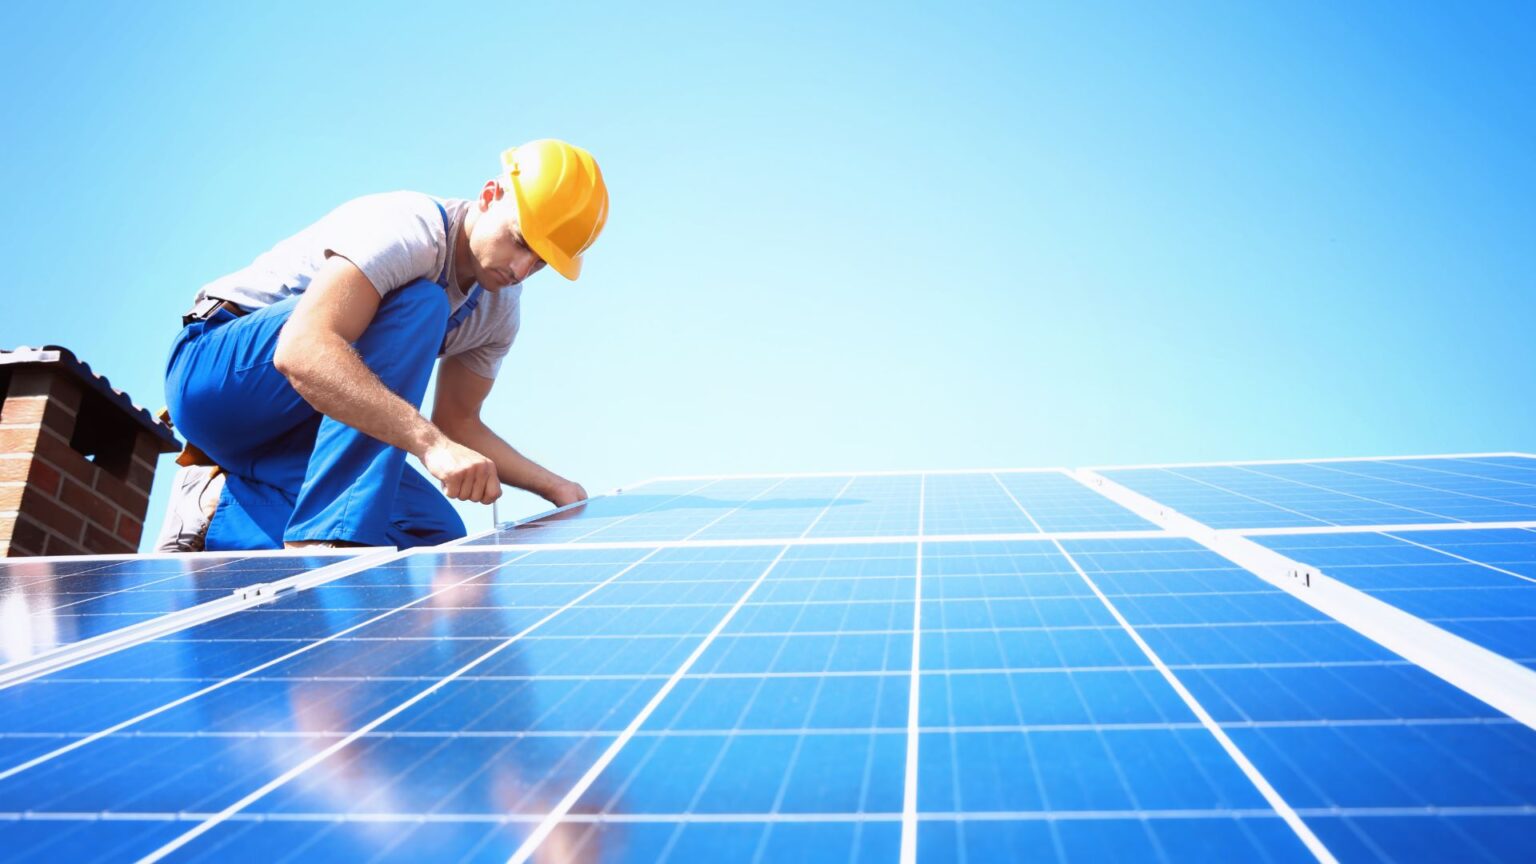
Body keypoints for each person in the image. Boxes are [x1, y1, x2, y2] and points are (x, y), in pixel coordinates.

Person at [156, 139, 606, 551]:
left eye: (542, 262)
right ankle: (326, 541)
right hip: (218, 381)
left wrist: (555, 488)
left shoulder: (498, 309)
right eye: (521, 241)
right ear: (489, 196)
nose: (523, 269)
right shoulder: (412, 230)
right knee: (421, 302)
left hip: (303, 426)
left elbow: (459, 424)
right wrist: (432, 446)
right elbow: (301, 349)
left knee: (430, 538)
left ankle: (212, 508)